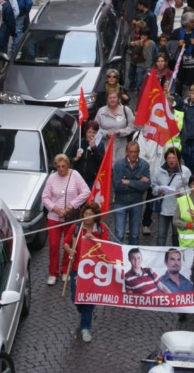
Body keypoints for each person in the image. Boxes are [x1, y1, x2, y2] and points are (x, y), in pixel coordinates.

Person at [40, 153, 90, 285]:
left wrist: (71, 206)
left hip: (70, 217)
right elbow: (45, 197)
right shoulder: (51, 178)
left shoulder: (75, 175)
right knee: (54, 245)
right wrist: (55, 209)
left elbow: (86, 192)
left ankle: (65, 270)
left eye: (63, 166)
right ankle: (53, 273)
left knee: (69, 245)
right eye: (58, 167)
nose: (61, 169)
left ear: (68, 165)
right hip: (54, 218)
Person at [64, 201, 109, 342]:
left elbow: (107, 248)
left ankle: (85, 327)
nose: (87, 216)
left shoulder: (101, 229)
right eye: (86, 213)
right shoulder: (76, 227)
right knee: (76, 298)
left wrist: (94, 239)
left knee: (88, 300)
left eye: (91, 214)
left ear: (96, 216)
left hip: (94, 271)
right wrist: (70, 250)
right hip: (77, 268)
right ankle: (84, 313)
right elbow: (65, 243)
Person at [112, 140, 151, 244]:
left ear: (139, 152)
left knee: (134, 234)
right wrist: (138, 183)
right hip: (121, 202)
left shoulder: (144, 165)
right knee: (119, 234)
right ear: (126, 152)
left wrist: (129, 182)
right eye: (131, 151)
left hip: (137, 203)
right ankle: (117, 257)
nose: (133, 154)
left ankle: (132, 257)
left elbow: (146, 186)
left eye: (135, 151)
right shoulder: (118, 165)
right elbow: (117, 186)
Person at [152, 147, 191, 246]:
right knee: (161, 235)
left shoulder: (185, 171)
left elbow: (191, 189)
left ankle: (176, 256)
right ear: (166, 159)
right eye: (169, 158)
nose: (171, 160)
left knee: (176, 235)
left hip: (178, 209)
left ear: (178, 159)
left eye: (174, 158)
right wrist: (158, 190)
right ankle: (159, 255)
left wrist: (181, 192)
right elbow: (153, 187)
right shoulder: (159, 171)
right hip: (163, 209)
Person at [95, 90, 135, 165]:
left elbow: (132, 126)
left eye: (114, 97)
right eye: (110, 98)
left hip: (122, 147)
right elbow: (95, 129)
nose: (112, 100)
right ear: (107, 99)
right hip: (105, 147)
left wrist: (121, 132)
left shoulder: (126, 110)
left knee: (121, 168)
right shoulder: (101, 111)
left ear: (118, 99)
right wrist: (105, 134)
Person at [72, 120, 105, 187]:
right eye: (89, 132)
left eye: (94, 132)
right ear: (85, 132)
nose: (91, 135)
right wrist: (76, 158)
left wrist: (94, 148)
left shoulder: (100, 145)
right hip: (78, 178)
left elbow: (103, 162)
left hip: (92, 180)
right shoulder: (79, 143)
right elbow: (68, 159)